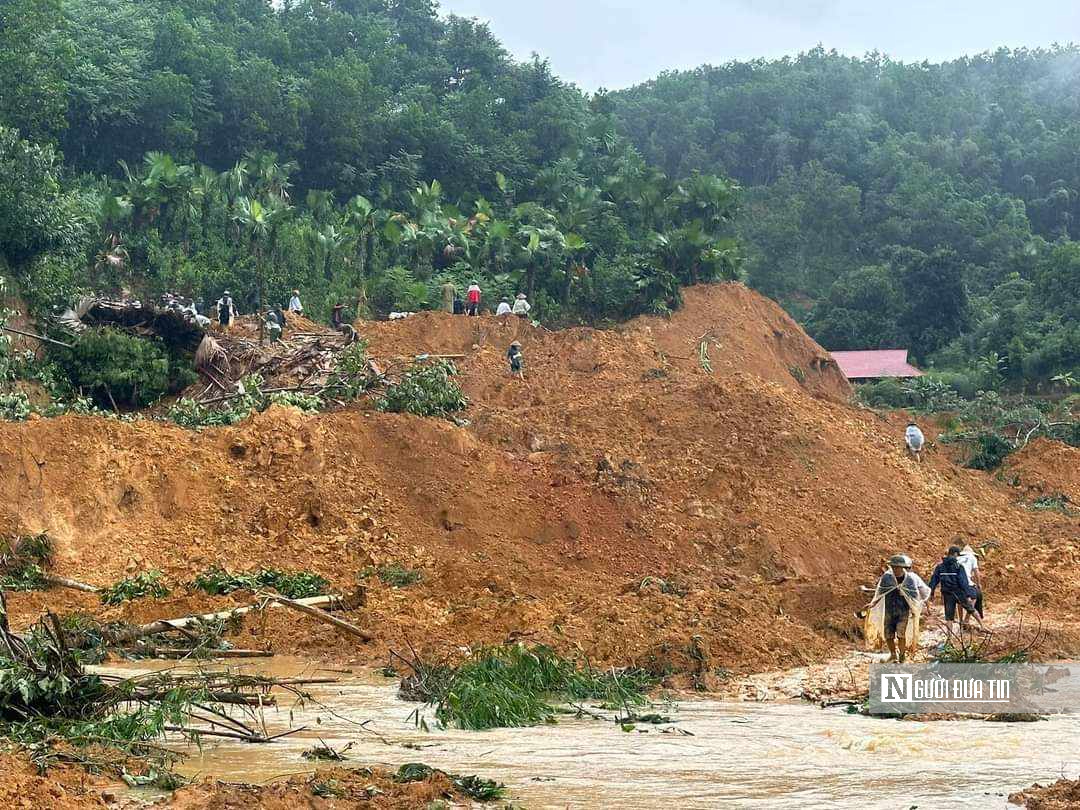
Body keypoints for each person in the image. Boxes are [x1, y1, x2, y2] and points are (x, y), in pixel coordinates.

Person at [864, 554, 930, 663]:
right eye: (893, 567)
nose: (895, 569)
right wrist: (872, 604)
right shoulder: (887, 577)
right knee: (888, 634)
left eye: (898, 567)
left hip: (903, 611)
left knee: (901, 634)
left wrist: (914, 609)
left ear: (902, 567)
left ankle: (902, 655)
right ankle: (893, 654)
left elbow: (913, 596)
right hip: (889, 610)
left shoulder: (909, 579)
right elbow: (880, 592)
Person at [929, 545, 983, 634]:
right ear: (955, 554)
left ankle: (949, 638)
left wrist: (931, 593)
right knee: (971, 609)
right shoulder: (958, 567)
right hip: (959, 593)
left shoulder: (940, 567)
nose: (958, 557)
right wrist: (968, 594)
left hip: (947, 594)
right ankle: (982, 626)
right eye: (957, 555)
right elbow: (963, 582)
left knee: (949, 617)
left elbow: (934, 580)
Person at [957, 544, 984, 619]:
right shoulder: (972, 558)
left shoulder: (957, 558)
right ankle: (967, 619)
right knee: (974, 597)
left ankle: (960, 620)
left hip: (956, 583)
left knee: (959, 601)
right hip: (966, 582)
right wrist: (979, 584)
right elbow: (976, 572)